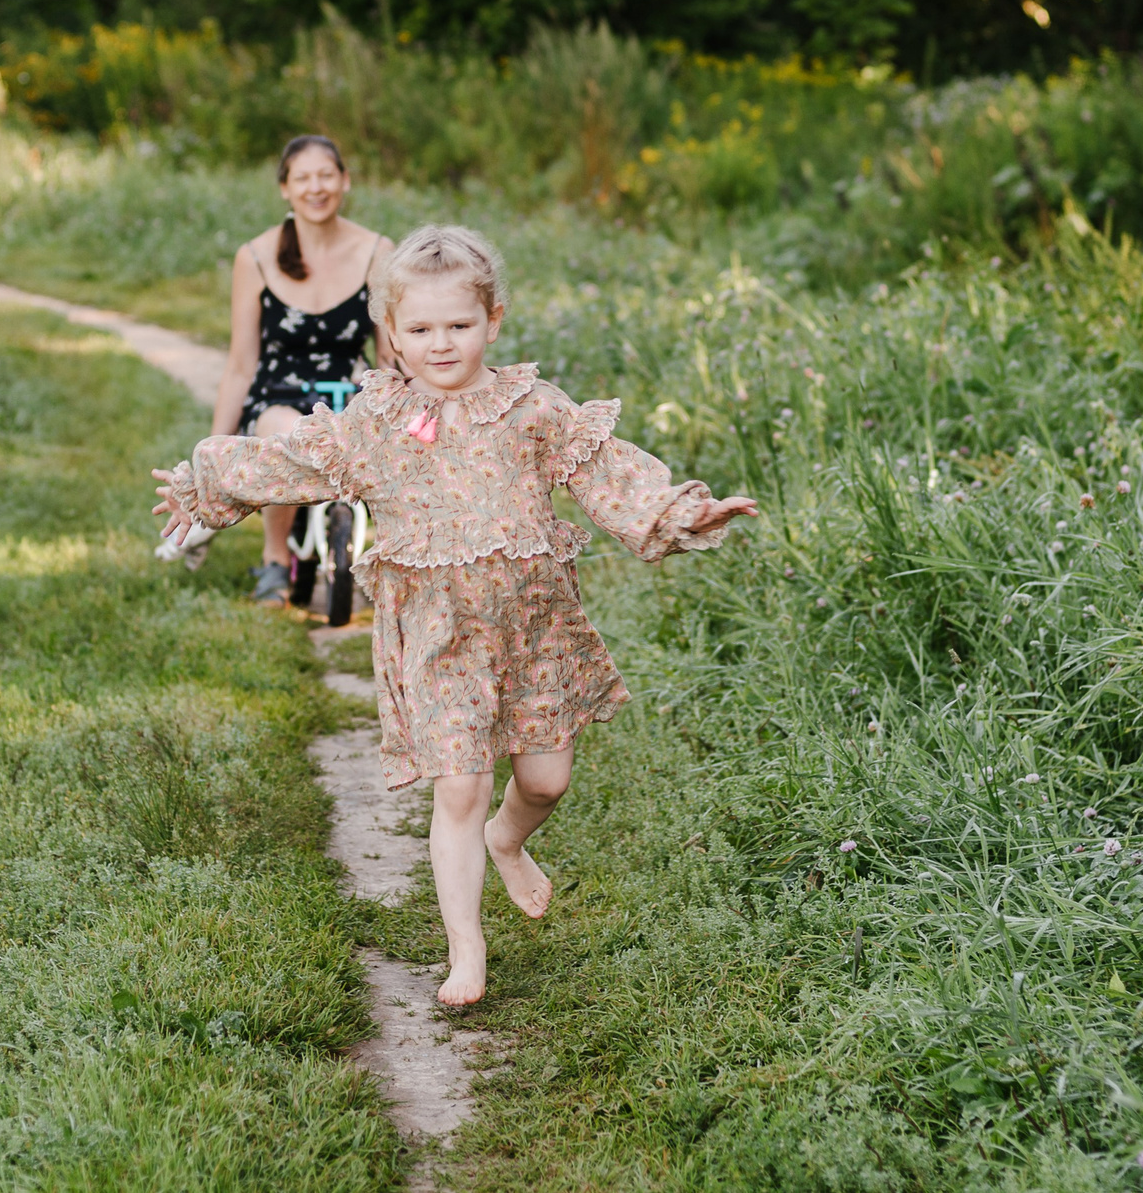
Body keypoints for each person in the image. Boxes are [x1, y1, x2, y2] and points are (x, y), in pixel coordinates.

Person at [154, 225, 757, 1007]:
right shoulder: (377, 421)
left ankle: (509, 839)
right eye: (421, 329)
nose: (442, 344)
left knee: (545, 780)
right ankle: (466, 949)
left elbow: (608, 474)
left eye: (460, 326)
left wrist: (682, 515)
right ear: (393, 335)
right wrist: (210, 482)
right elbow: (295, 458)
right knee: (460, 788)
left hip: (534, 628)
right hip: (437, 634)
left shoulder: (532, 409)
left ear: (494, 321)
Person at [207, 134, 394, 606]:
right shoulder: (255, 257)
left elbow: (390, 351)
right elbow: (240, 363)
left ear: (345, 181)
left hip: (351, 387)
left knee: (386, 443)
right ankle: (274, 560)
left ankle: (395, 556)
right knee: (288, 434)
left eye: (326, 175)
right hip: (280, 392)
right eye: (303, 177)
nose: (316, 187)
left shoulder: (377, 251)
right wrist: (215, 451)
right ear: (285, 189)